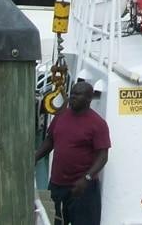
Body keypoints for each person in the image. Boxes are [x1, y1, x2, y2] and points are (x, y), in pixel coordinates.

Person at [35, 80, 111, 225]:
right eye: (72, 93)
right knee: (52, 221)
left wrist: (86, 178)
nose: (72, 97)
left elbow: (103, 156)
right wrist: (35, 157)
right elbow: (50, 140)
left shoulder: (98, 124)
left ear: (89, 99)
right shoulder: (61, 115)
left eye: (78, 95)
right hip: (56, 185)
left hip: (82, 188)